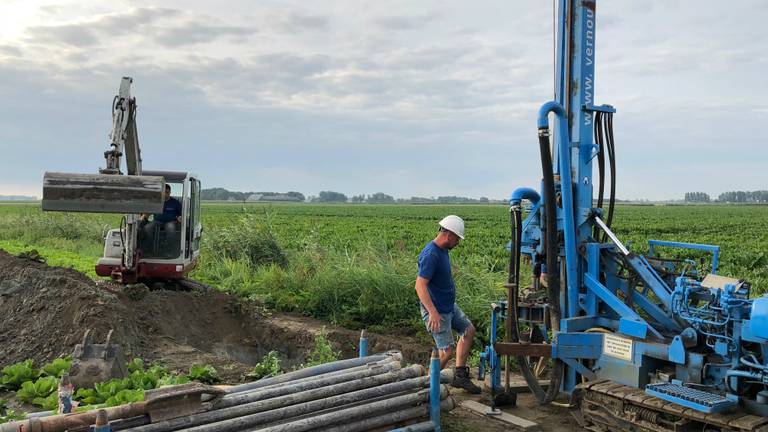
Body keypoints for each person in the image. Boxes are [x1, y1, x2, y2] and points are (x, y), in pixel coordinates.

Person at [415, 215, 481, 394]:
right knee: (445, 352)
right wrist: (433, 313)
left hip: (448, 305)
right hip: (437, 309)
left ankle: (459, 376)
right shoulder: (431, 254)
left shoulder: (442, 250)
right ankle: (428, 388)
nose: (458, 242)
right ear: (449, 234)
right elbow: (420, 285)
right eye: (457, 238)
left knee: (468, 330)